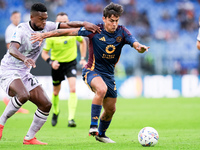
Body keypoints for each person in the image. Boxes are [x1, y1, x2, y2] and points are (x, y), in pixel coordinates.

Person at [31, 2, 149, 143]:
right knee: (101, 89)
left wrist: (139, 47)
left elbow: (134, 42)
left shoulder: (122, 31)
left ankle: (102, 134)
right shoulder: (94, 30)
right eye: (111, 21)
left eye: (116, 20)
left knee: (111, 109)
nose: (114, 24)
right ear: (104, 18)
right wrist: (45, 35)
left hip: (109, 75)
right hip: (92, 71)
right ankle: (93, 126)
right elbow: (66, 32)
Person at [0, 2, 100, 145]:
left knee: (46, 104)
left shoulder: (47, 26)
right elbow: (12, 49)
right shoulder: (21, 29)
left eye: (46, 18)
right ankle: (1, 123)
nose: (44, 22)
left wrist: (85, 23)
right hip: (9, 70)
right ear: (32, 17)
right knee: (23, 95)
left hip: (24, 72)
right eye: (41, 19)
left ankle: (29, 138)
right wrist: (25, 58)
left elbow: (68, 25)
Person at [41, 12, 87, 127]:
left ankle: (71, 118)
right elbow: (44, 53)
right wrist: (51, 62)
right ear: (56, 23)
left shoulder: (72, 32)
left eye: (65, 22)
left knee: (73, 89)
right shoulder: (52, 36)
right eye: (60, 22)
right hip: (57, 65)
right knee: (56, 91)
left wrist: (82, 58)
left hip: (70, 63)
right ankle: (56, 111)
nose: (63, 24)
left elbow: (83, 42)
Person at [4, 11, 29, 114]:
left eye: (18, 17)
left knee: (19, 83)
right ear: (11, 18)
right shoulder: (10, 29)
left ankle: (13, 103)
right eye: (15, 17)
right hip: (12, 61)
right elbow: (9, 46)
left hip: (17, 61)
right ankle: (11, 102)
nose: (17, 19)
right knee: (17, 83)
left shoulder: (19, 28)